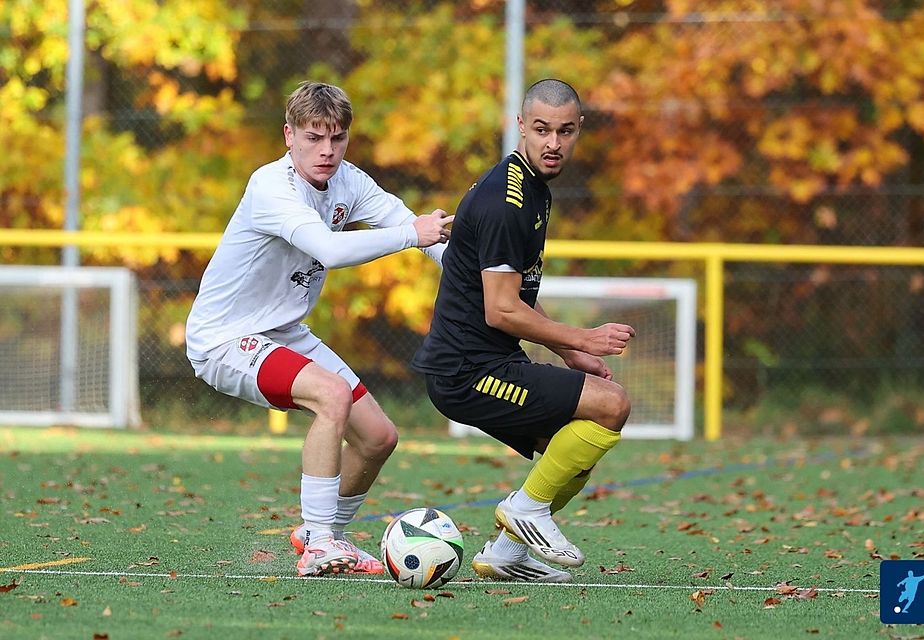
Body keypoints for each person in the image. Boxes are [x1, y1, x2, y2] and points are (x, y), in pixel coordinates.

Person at [185, 81, 453, 577]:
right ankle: (320, 543)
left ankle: (324, 536)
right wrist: (413, 235)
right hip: (224, 337)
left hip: (284, 331)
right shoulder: (270, 186)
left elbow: (415, 228)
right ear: (289, 135)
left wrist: (471, 278)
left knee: (378, 437)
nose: (326, 151)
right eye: (313, 137)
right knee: (332, 396)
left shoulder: (349, 181)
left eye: (337, 138)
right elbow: (332, 248)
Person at [411, 79, 635, 583]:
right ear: (520, 126)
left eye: (564, 131)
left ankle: (506, 554)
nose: (553, 142)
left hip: (490, 361)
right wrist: (583, 339)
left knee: (575, 445)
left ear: (578, 131)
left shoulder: (532, 187)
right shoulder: (506, 201)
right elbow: (502, 311)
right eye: (541, 130)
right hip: (467, 371)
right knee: (610, 404)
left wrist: (565, 352)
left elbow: (510, 303)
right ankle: (525, 513)